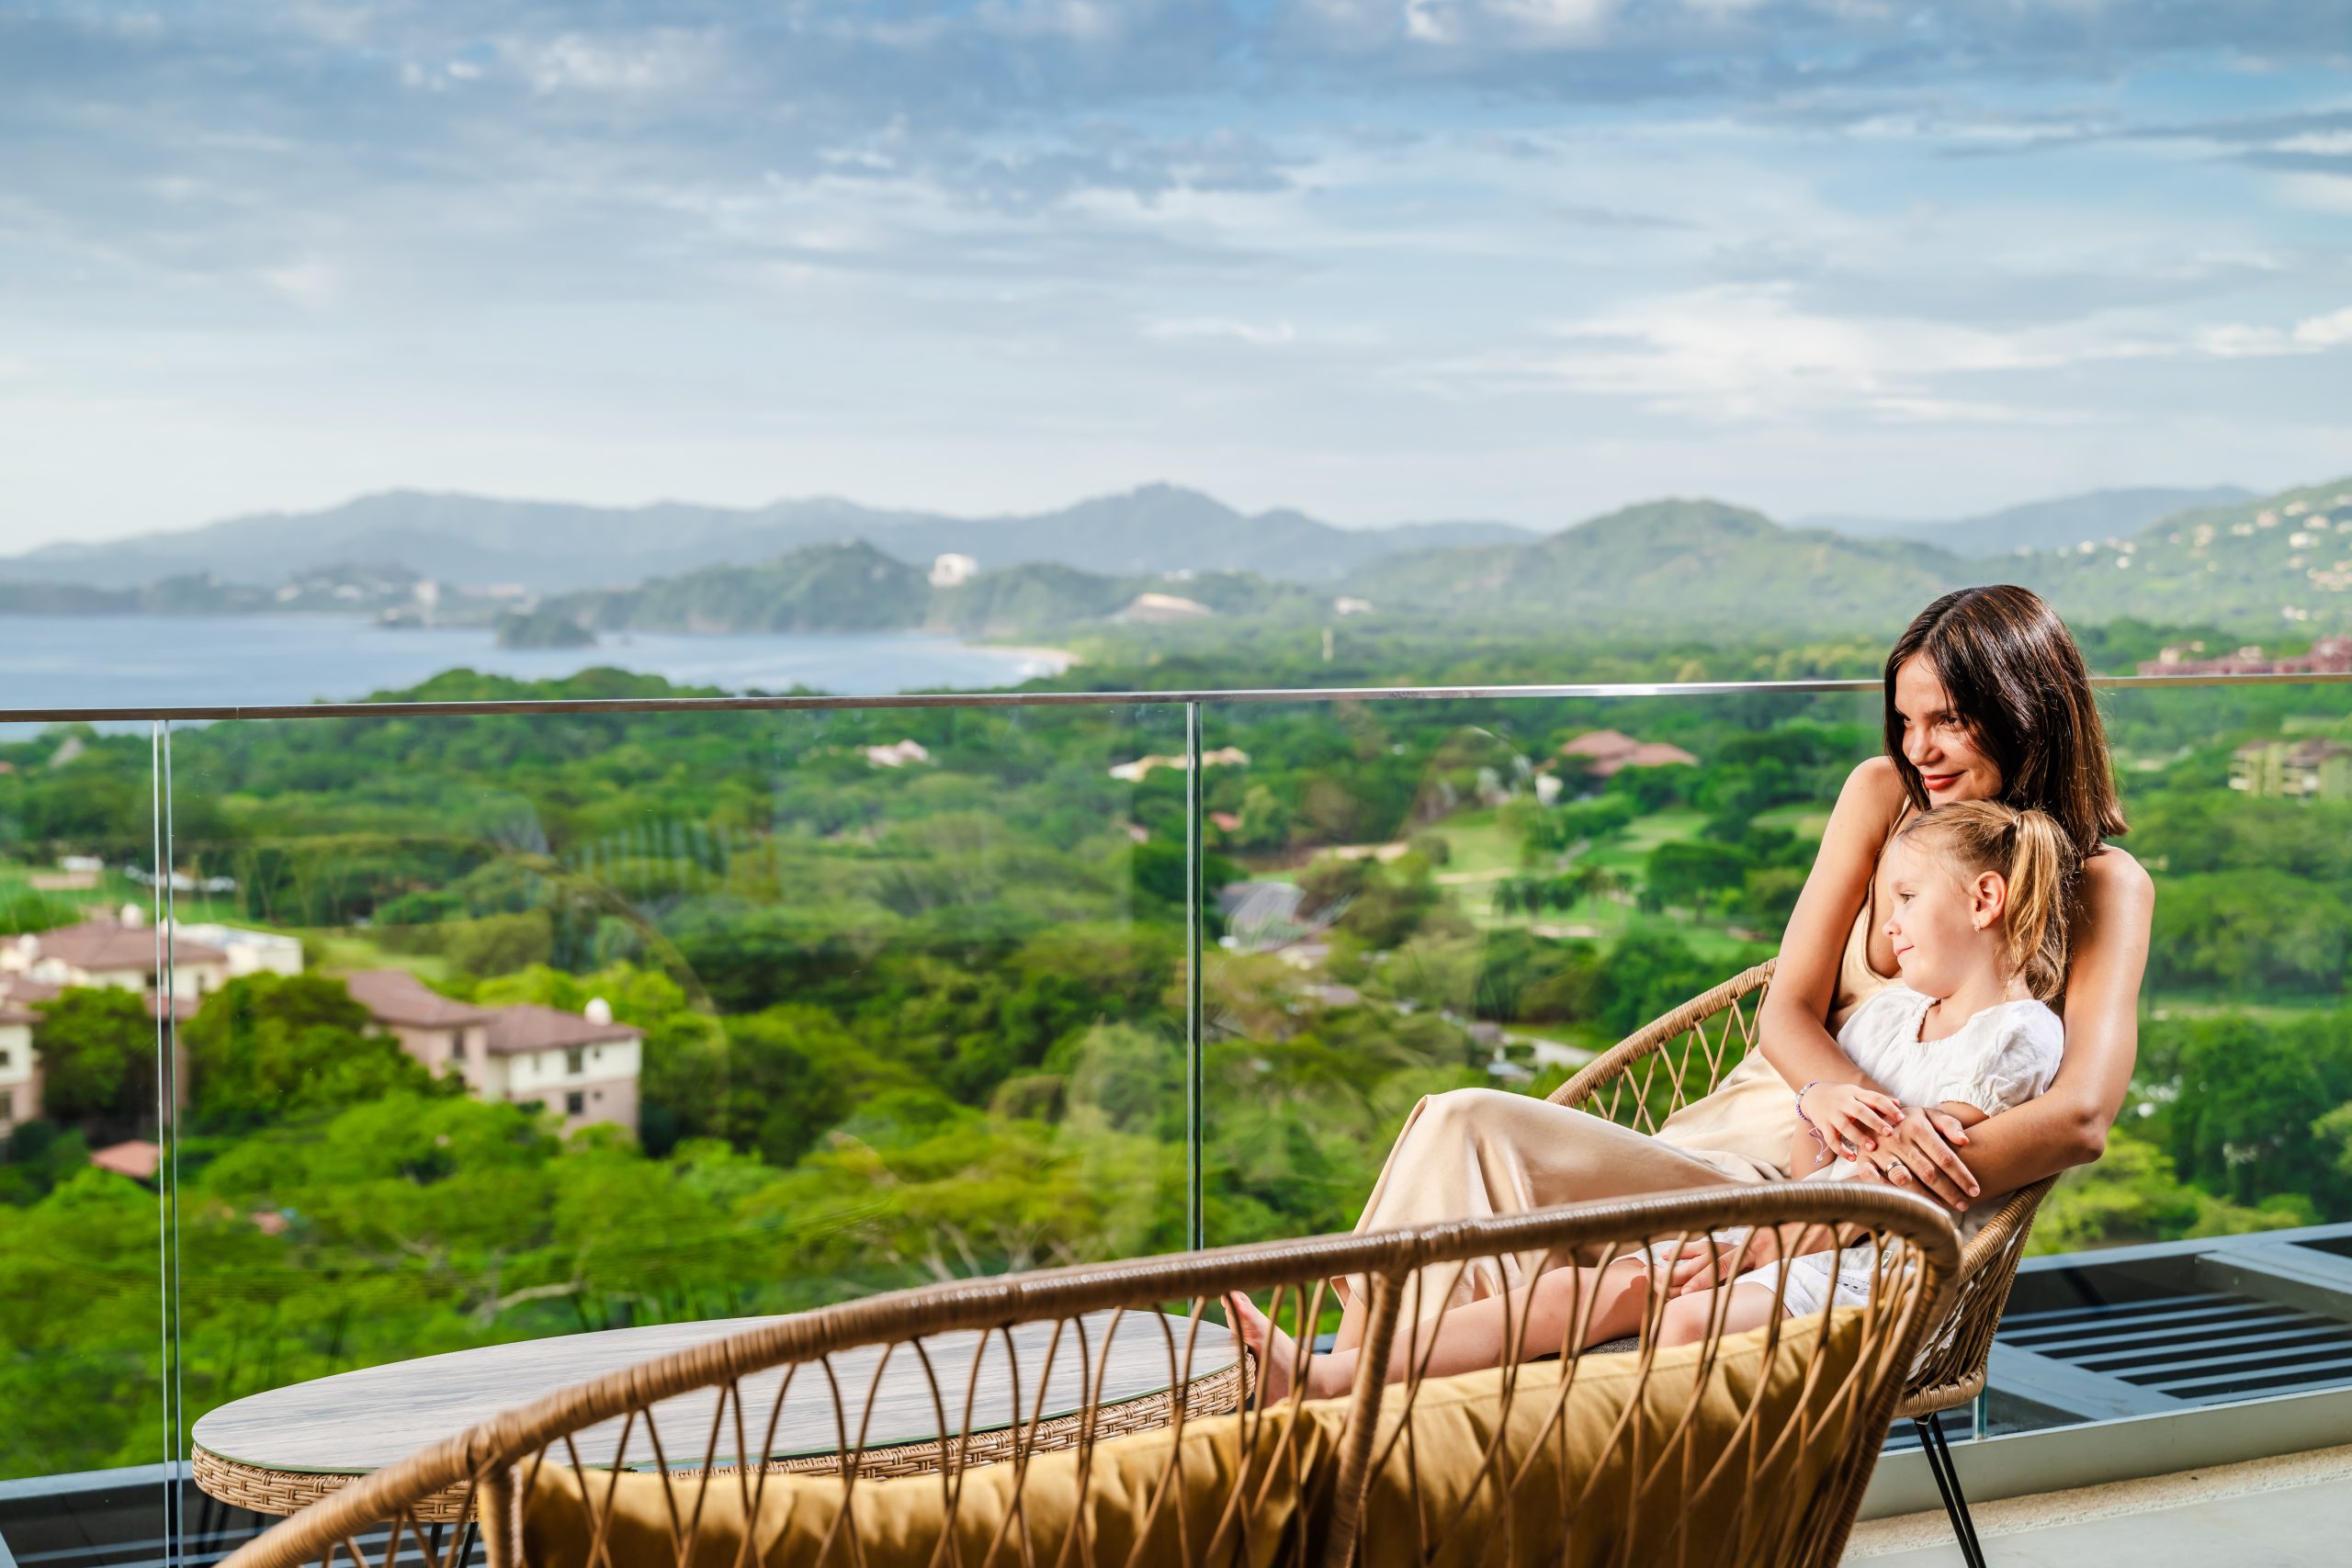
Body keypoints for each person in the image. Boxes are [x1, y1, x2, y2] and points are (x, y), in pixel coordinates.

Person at [1320, 584, 2154, 1356]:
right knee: (1460, 1125)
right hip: (1720, 1155)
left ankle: (1343, 1426)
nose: (1919, 748)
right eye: (1905, 720)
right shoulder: (1882, 797)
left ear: (2026, 710)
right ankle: (1354, 1403)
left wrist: (1863, 1182)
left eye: (1948, 719)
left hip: (1820, 1208)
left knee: (1474, 1167)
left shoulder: (2104, 885)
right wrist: (1830, 1095)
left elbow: (2080, 1117)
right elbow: (1786, 1007)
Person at [1230, 798, 2073, 1394]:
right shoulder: (1887, 1017)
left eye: (1905, 902)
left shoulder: (2015, 1036)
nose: (1887, 927)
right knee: (1591, 1287)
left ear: (1986, 900)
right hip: (1794, 1216)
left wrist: (1763, 1237)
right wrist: (1825, 1115)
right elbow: (1812, 1157)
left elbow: (1923, 1179)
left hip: (1877, 1265)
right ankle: (1331, 1373)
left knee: (1669, 1319)